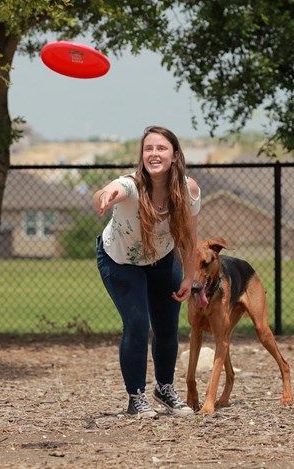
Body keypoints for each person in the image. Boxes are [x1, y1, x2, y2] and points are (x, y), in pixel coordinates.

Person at [93, 125, 201, 418]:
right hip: (120, 261)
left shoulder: (188, 189)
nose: (154, 154)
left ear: (175, 155)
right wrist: (105, 196)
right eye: (149, 149)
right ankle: (136, 397)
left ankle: (164, 389)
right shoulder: (131, 185)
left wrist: (190, 278)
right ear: (142, 156)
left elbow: (190, 239)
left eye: (161, 148)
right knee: (138, 323)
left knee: (167, 327)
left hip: (162, 259)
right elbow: (110, 190)